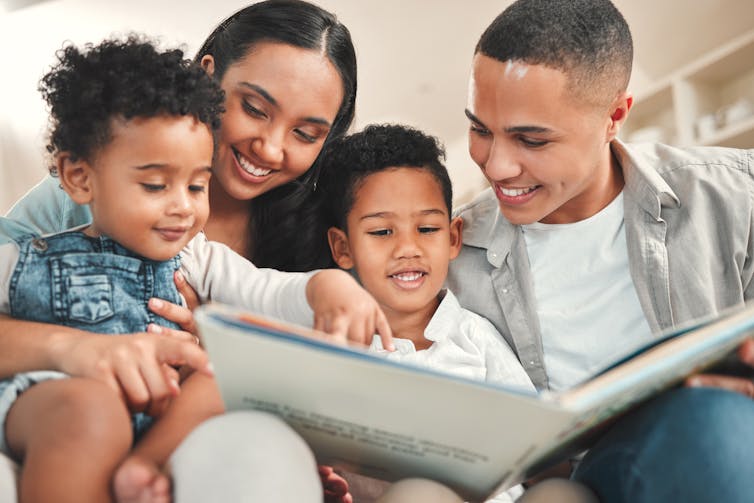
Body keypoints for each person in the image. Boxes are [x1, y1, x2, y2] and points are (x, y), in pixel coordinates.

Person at [0, 1, 384, 501]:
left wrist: (326, 285)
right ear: (209, 77)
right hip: (70, 402)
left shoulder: (306, 237)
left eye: (306, 134)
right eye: (253, 108)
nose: (269, 148)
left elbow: (278, 303)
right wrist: (82, 349)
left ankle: (143, 468)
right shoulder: (82, 199)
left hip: (178, 420)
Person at [446, 0, 754, 501]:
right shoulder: (451, 257)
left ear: (615, 116)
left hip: (708, 454)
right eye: (480, 129)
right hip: (564, 489)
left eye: (531, 140)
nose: (496, 166)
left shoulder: (736, 196)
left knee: (715, 426)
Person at [320, 123, 534, 502]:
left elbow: (530, 442)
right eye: (382, 232)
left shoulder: (476, 337)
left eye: (427, 228)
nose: (408, 248)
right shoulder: (333, 352)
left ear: (453, 238)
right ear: (342, 247)